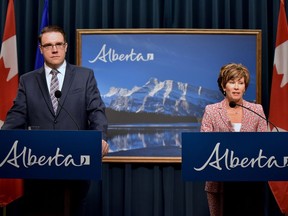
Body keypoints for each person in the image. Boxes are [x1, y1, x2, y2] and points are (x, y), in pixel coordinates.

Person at [1, 25, 109, 216]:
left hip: (76, 163)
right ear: (41, 49)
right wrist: (3, 138)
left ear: (66, 46)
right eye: (49, 45)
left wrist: (99, 137)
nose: (54, 49)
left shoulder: (85, 76)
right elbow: (17, 115)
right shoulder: (28, 80)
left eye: (59, 44)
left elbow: (97, 111)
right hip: (38, 166)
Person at [200, 63, 268, 216]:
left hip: (250, 185)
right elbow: (205, 145)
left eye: (241, 82)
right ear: (224, 86)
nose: (236, 87)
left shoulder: (257, 110)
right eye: (232, 82)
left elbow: (265, 145)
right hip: (219, 184)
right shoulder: (211, 111)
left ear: (245, 87)